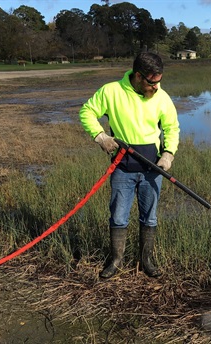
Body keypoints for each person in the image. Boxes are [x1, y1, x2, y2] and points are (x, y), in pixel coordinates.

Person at [79, 52, 180, 279]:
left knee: (150, 218)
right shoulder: (111, 91)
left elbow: (172, 128)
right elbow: (86, 112)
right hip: (122, 169)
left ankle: (146, 261)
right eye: (151, 82)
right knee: (118, 217)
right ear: (138, 76)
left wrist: (168, 155)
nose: (156, 87)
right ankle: (115, 261)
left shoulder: (162, 97)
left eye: (158, 82)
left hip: (152, 170)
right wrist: (101, 137)